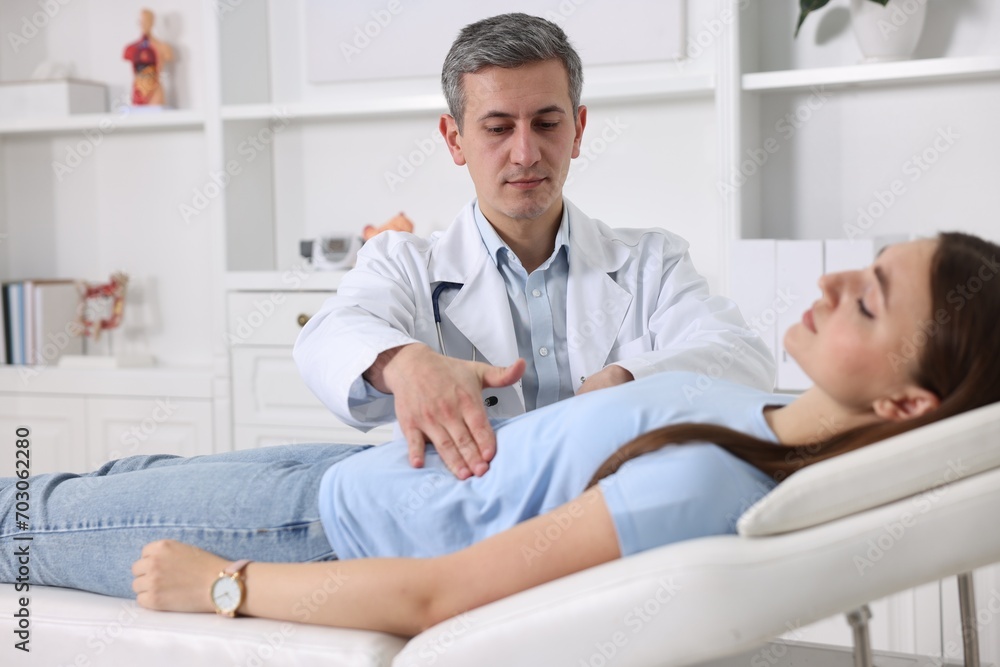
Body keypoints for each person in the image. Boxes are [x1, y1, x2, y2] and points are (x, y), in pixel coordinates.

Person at [3, 233, 999, 637]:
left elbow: (440, 593)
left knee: (28, 520)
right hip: (353, 477)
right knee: (109, 479)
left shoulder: (708, 481)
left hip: (316, 534)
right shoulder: (761, 417)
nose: (830, 281)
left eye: (867, 300)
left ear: (907, 406)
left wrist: (222, 585)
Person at [293, 13, 775, 481]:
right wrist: (404, 364)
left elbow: (742, 359)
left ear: (578, 130)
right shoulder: (403, 264)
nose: (525, 154)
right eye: (498, 128)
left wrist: (628, 380)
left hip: (608, 503)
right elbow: (329, 336)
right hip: (467, 504)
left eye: (546, 124)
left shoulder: (652, 261)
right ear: (454, 140)